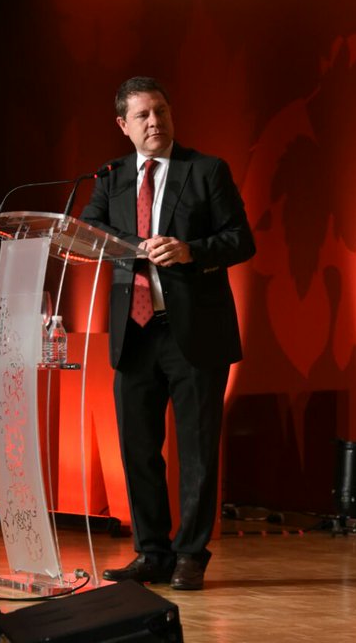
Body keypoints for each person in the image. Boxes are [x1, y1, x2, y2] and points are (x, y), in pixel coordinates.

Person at [80, 76, 255, 590]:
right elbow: (90, 232)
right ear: (123, 125)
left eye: (161, 111)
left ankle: (190, 556)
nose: (155, 122)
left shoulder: (205, 171)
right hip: (134, 333)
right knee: (138, 449)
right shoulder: (111, 179)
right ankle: (151, 552)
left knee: (197, 450)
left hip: (194, 334)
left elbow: (240, 240)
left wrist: (190, 251)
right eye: (143, 115)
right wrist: (131, 246)